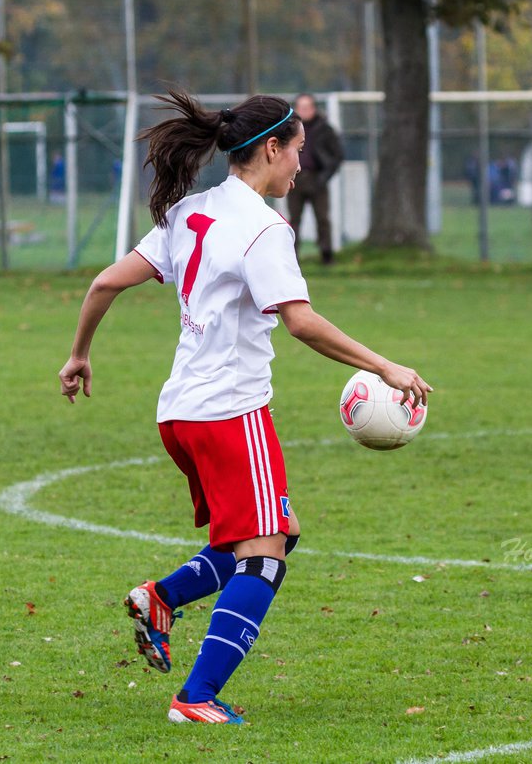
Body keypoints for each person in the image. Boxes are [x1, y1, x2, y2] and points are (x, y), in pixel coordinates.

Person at [57, 91, 431, 725]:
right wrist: (384, 366)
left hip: (178, 413)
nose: (300, 170)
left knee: (269, 535)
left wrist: (79, 355)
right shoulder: (263, 227)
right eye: (297, 155)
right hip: (230, 411)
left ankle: (161, 599)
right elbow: (302, 322)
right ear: (270, 148)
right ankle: (195, 698)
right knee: (264, 557)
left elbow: (103, 283)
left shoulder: (191, 212)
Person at [286, 93, 344, 265]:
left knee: (323, 219)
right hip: (295, 179)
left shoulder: (325, 129)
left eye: (307, 107)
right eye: (300, 107)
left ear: (314, 109)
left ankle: (327, 256)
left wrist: (324, 176)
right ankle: (292, 257)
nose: (303, 111)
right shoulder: (289, 130)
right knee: (293, 220)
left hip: (317, 179)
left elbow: (337, 155)